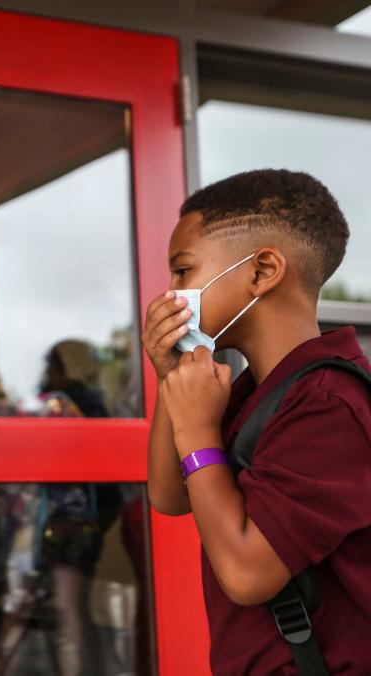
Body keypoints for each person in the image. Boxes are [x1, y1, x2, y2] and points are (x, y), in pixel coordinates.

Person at [143, 169, 371, 673]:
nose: (169, 294)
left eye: (182, 272)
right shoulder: (252, 390)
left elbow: (248, 573)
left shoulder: (330, 400)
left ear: (262, 270)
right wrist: (171, 377)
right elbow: (170, 495)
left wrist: (199, 431)